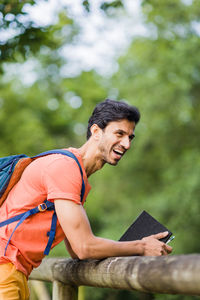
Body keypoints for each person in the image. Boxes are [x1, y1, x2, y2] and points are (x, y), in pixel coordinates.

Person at [0, 99, 172, 300]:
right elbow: (83, 247)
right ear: (96, 131)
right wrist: (142, 246)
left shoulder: (77, 176)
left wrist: (127, 248)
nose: (126, 144)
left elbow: (75, 250)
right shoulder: (65, 168)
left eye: (130, 137)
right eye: (119, 134)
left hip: (15, 271)